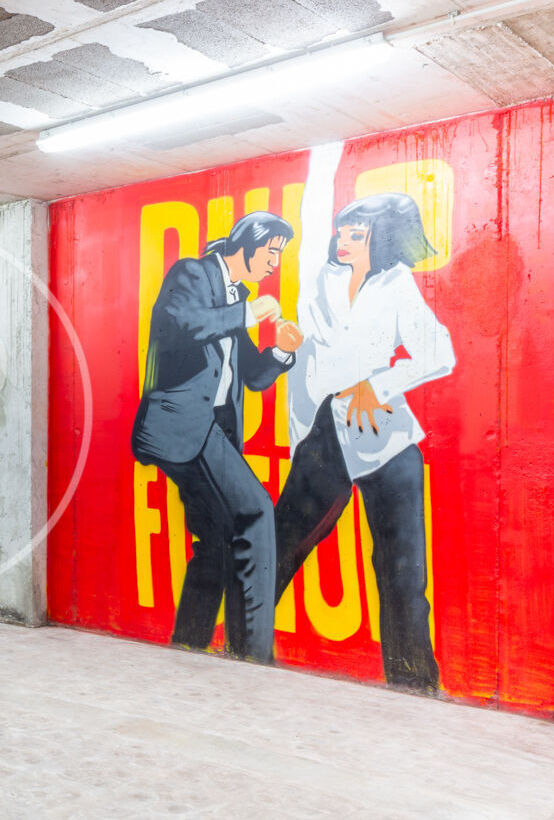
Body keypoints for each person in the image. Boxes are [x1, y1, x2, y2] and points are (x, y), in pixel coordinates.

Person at [274, 192, 455, 690]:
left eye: (356, 234)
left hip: (388, 438)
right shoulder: (321, 278)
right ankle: (239, 646)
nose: (343, 241)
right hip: (327, 433)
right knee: (278, 546)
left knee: (403, 575)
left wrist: (379, 384)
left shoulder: (398, 285)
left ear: (383, 239)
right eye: (342, 232)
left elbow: (440, 352)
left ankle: (414, 682)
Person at [132, 212, 303, 663]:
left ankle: (189, 643)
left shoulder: (236, 294)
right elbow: (183, 326)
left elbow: (251, 377)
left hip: (215, 428)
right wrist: (248, 313)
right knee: (256, 512)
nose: (274, 264)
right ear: (245, 245)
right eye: (271, 253)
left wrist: (281, 351)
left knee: (215, 540)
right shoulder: (192, 273)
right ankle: (254, 654)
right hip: (182, 424)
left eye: (279, 256)